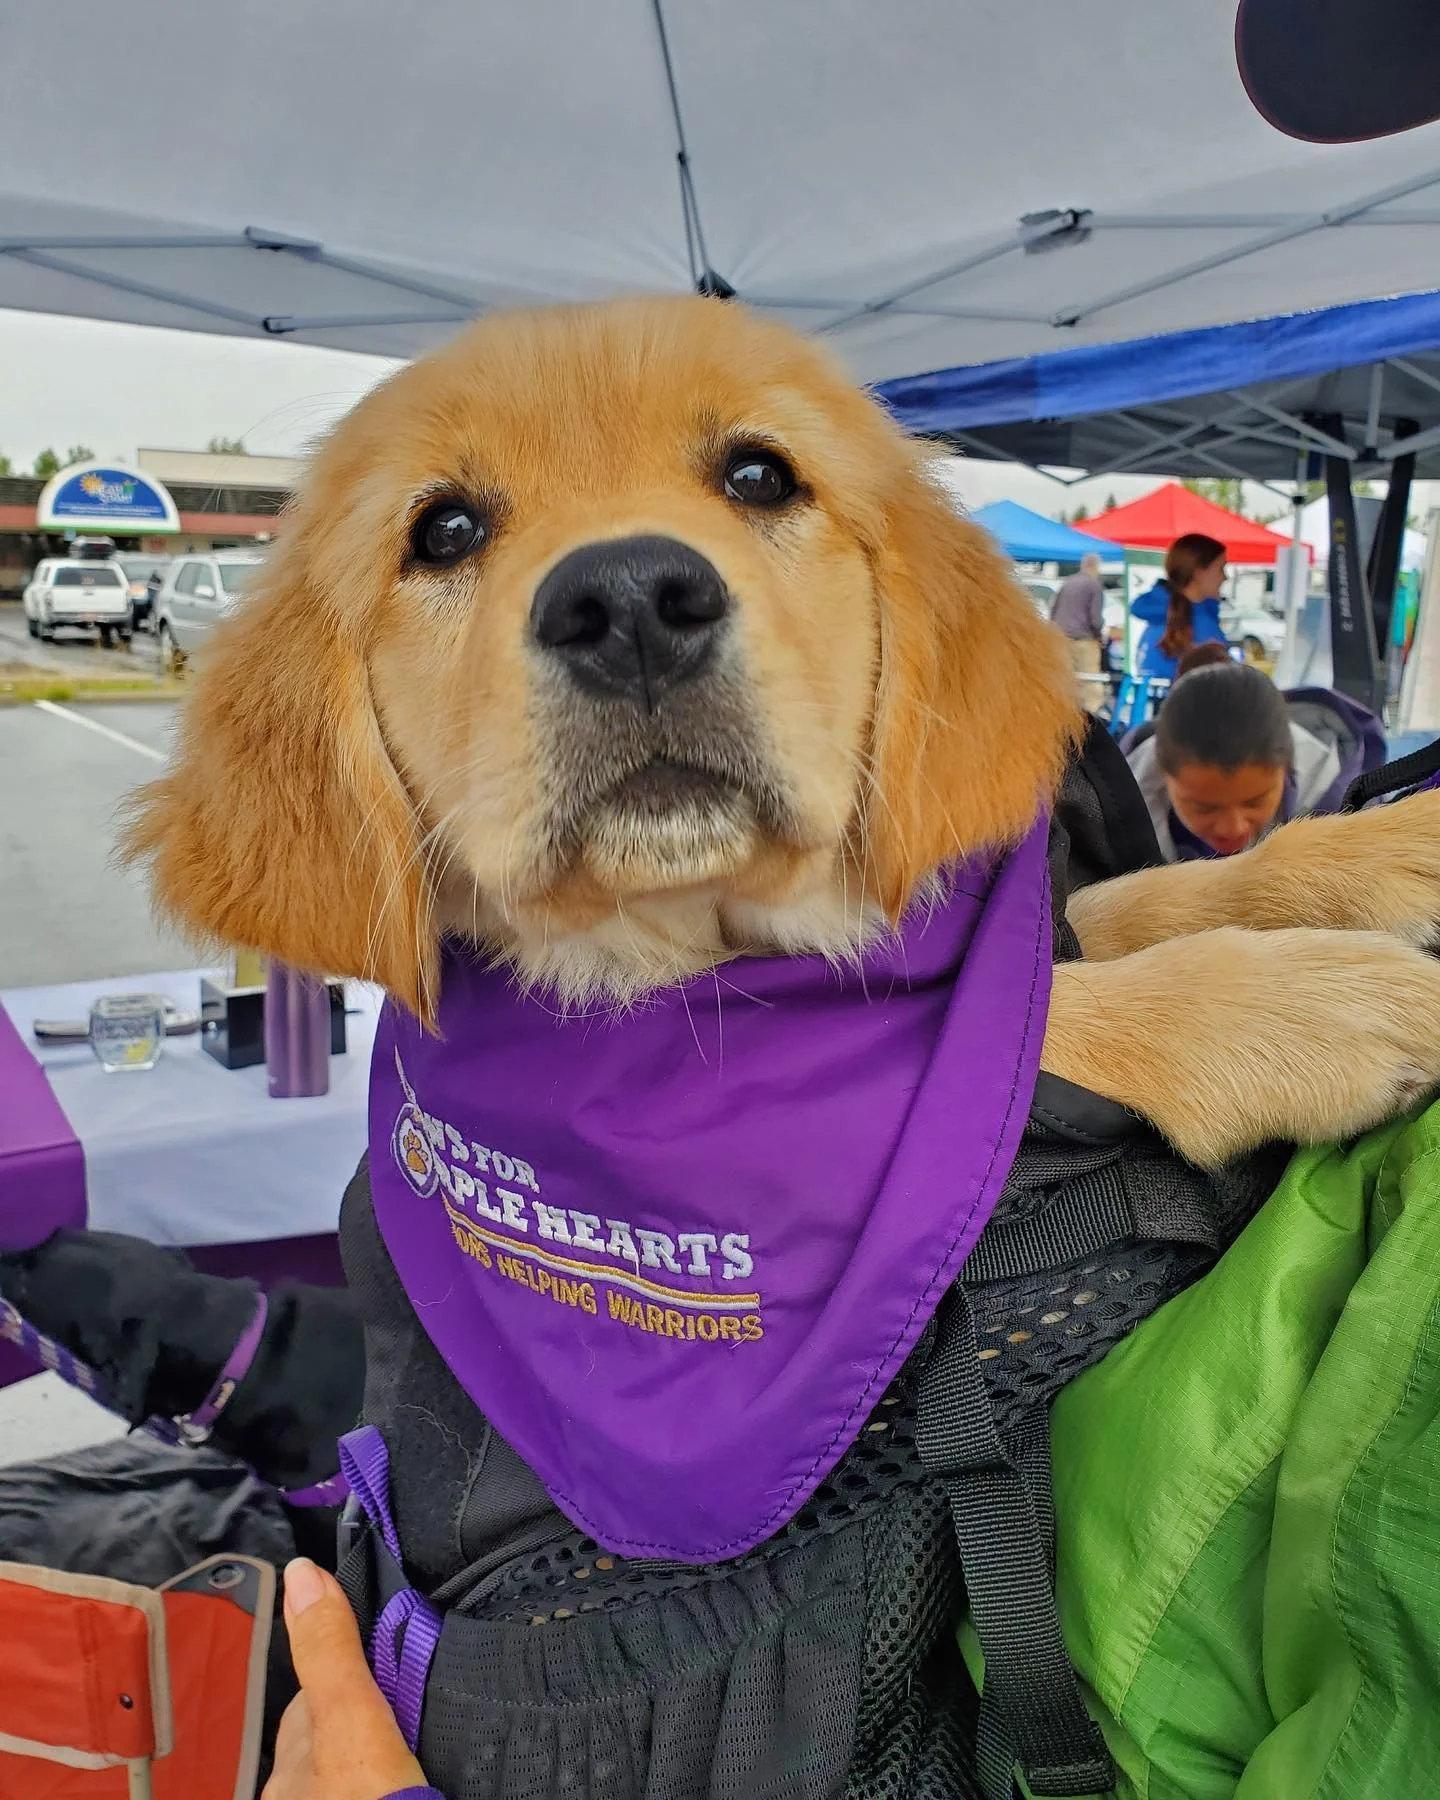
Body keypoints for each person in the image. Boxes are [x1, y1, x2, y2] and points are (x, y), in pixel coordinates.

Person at [1125, 661, 1347, 860]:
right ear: (1162, 774)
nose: (1233, 829)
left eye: (1255, 802)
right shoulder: (1109, 821)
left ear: (1287, 767)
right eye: (1204, 808)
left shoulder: (1347, 815)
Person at [1131, 533, 1229, 682]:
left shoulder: (1159, 618)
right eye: (1221, 569)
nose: (1225, 577)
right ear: (1199, 573)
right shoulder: (1201, 624)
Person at [1049, 552, 1106, 700]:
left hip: (1061, 638)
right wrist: (1099, 637)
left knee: (1065, 681)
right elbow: (1095, 617)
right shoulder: (1094, 585)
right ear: (1096, 567)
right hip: (1084, 640)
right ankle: (1090, 718)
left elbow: (1054, 611)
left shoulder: (1067, 582)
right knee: (1089, 682)